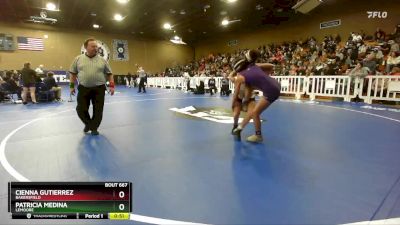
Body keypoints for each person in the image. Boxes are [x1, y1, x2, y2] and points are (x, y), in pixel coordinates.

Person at [231, 50, 281, 143]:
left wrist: (233, 103)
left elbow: (236, 94)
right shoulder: (253, 65)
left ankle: (258, 136)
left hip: (270, 91)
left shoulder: (240, 77)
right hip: (276, 85)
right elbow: (271, 66)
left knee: (255, 113)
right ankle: (240, 127)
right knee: (254, 112)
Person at [69, 38, 115, 135]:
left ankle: (94, 128)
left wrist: (112, 86)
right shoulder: (78, 59)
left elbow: (110, 74)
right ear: (86, 47)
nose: (96, 48)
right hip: (83, 88)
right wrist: (71, 86)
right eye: (93, 46)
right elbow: (73, 74)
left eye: (96, 46)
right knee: (80, 109)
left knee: (98, 110)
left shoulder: (102, 60)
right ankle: (88, 124)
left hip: (99, 89)